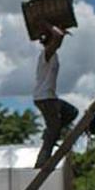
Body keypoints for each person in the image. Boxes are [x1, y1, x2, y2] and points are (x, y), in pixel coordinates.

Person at [33, 22, 79, 168]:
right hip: (44, 98)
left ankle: (50, 133)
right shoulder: (46, 54)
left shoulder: (52, 55)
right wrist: (49, 24)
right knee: (53, 130)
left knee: (71, 112)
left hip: (50, 97)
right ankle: (42, 162)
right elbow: (57, 37)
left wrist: (61, 33)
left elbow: (58, 39)